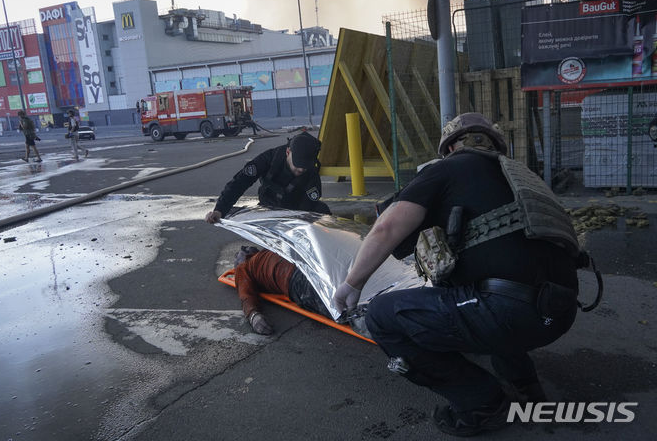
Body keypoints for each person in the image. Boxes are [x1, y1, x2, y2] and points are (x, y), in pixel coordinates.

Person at [334, 113, 581, 437]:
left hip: (508, 312)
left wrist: (352, 284)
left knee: (382, 315)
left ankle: (482, 403)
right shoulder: (521, 178)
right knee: (493, 289)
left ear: (450, 147)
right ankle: (524, 386)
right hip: (559, 312)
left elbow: (387, 227)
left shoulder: (448, 169)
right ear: (494, 145)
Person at [205, 131, 330, 223]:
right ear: (288, 152)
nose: (301, 169)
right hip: (268, 207)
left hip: (296, 208)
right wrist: (219, 210)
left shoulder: (311, 170)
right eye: (298, 164)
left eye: (305, 166)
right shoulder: (270, 158)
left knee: (322, 211)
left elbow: (309, 203)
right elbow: (239, 182)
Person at [232, 246, 331, 335]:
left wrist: (253, 316)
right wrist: (253, 315)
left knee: (333, 303)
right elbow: (246, 296)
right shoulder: (249, 264)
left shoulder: (249, 263)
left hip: (295, 275)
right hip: (302, 270)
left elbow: (246, 295)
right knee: (332, 298)